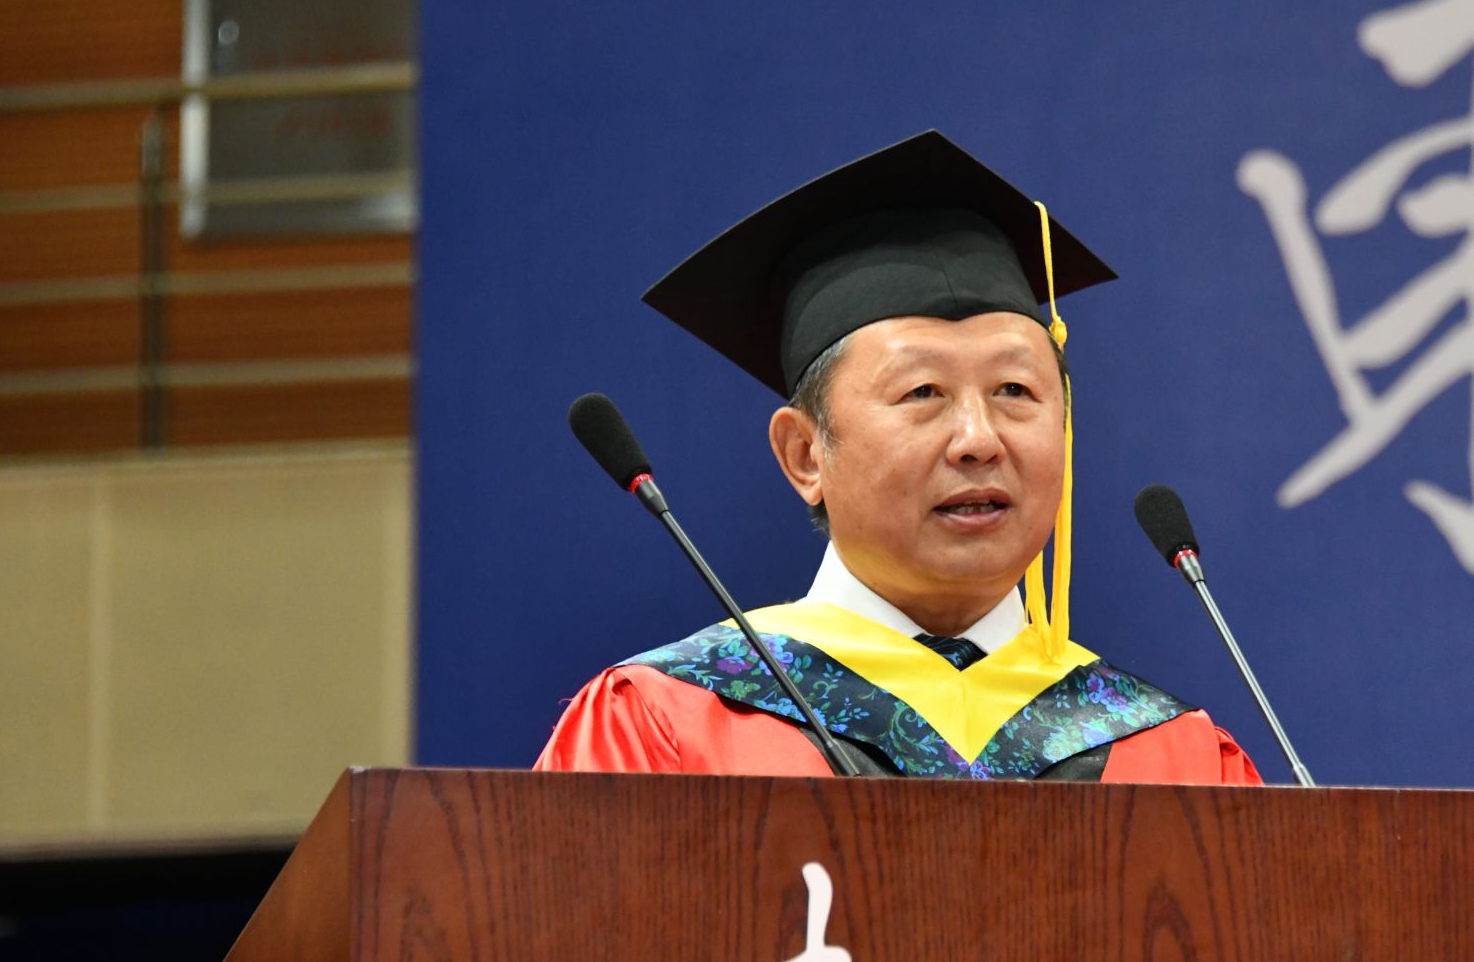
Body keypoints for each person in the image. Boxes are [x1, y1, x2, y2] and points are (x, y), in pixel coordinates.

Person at [536, 131, 1260, 783]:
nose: (978, 438)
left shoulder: (1179, 758)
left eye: (1015, 390)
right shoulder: (663, 728)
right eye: (923, 393)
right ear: (804, 454)